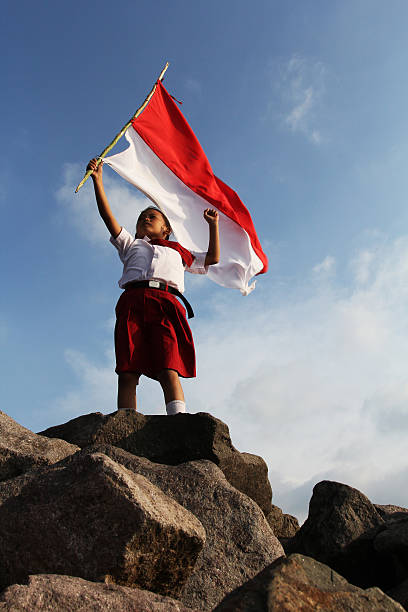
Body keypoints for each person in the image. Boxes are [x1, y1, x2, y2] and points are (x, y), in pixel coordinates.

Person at [87, 158, 220, 415]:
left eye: (152, 216)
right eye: (141, 218)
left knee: (168, 366)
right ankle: (125, 420)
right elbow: (108, 217)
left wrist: (213, 226)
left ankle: (178, 418)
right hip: (132, 301)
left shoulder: (180, 251)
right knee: (127, 368)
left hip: (166, 303)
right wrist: (98, 181)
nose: (146, 219)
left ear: (166, 228)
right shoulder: (131, 244)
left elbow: (212, 258)